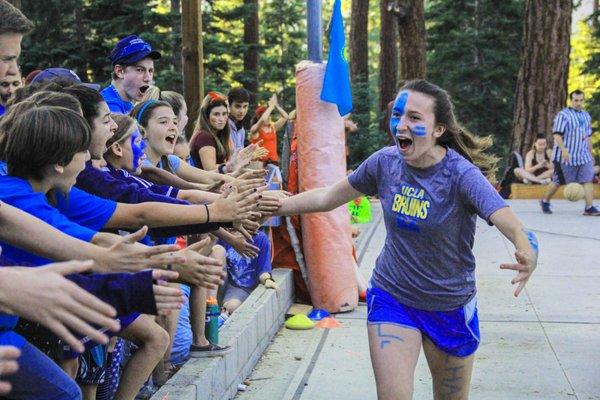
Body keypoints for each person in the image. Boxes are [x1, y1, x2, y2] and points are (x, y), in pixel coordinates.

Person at [275, 79, 538, 400]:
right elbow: (329, 196)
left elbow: (508, 220)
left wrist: (525, 248)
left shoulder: (461, 175)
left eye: (414, 118)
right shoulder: (384, 163)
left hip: (449, 306)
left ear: (438, 129)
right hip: (393, 297)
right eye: (398, 115)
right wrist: (278, 204)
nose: (401, 124)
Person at [541, 90, 599, 215]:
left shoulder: (586, 115)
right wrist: (564, 150)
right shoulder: (563, 115)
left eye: (581, 100)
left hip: (583, 156)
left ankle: (589, 208)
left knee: (587, 179)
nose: (578, 103)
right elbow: (557, 135)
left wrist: (591, 154)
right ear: (571, 100)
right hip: (565, 157)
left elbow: (588, 137)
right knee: (557, 182)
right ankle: (545, 201)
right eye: (576, 100)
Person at [101, 35, 160, 114]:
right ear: (120, 71)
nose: (148, 78)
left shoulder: (129, 103)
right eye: (140, 70)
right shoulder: (108, 107)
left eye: (150, 71)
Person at [249, 93, 290, 166]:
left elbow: (286, 117)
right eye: (267, 115)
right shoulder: (255, 129)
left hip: (273, 163)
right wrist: (270, 107)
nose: (268, 117)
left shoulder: (273, 127)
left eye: (269, 116)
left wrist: (276, 105)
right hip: (259, 163)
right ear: (259, 117)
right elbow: (263, 120)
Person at [227, 87, 251, 151]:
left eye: (245, 106)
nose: (242, 111)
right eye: (238, 106)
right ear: (228, 106)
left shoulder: (241, 130)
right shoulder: (223, 127)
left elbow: (240, 156)